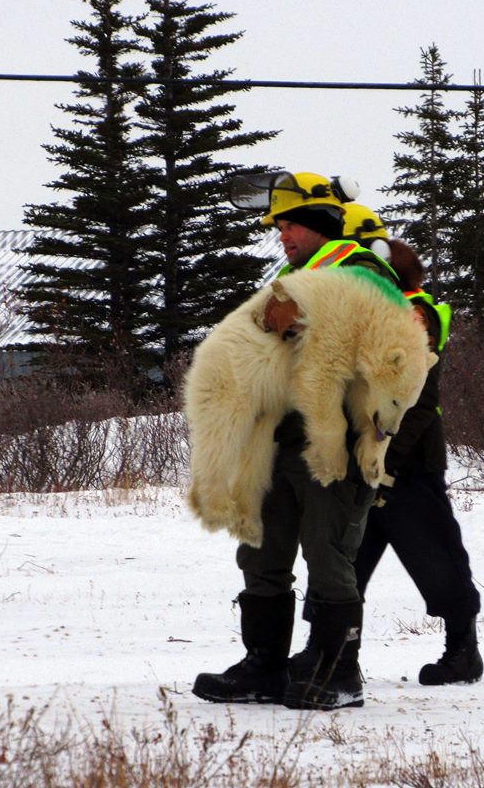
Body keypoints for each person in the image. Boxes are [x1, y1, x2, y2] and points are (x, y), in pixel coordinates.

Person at [192, 172, 399, 710]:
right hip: (279, 441)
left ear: (317, 223)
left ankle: (338, 673)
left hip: (335, 444)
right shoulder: (293, 277)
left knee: (329, 555)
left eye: (289, 225)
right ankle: (265, 666)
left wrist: (299, 325)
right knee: (260, 550)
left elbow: (374, 348)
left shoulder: (364, 270)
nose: (281, 235)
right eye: (278, 227)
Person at [341, 203, 484, 685]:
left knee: (437, 557)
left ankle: (463, 652)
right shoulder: (372, 313)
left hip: (410, 462)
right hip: (364, 460)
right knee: (342, 564)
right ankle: (337, 655)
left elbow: (419, 400)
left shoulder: (414, 314)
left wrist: (388, 460)